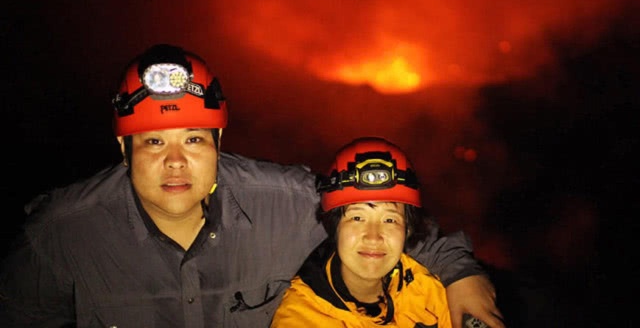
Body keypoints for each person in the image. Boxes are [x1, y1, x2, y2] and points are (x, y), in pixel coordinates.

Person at [0, 44, 504, 328]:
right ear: (123, 148)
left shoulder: (285, 204)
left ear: (219, 138)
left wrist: (463, 276)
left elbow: (386, 217)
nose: (175, 162)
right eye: (153, 142)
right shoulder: (61, 237)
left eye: (194, 139)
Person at [271, 137, 453, 327]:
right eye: (357, 218)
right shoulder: (301, 317)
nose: (373, 237)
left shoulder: (434, 293)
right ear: (335, 226)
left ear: (407, 230)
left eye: (390, 220)